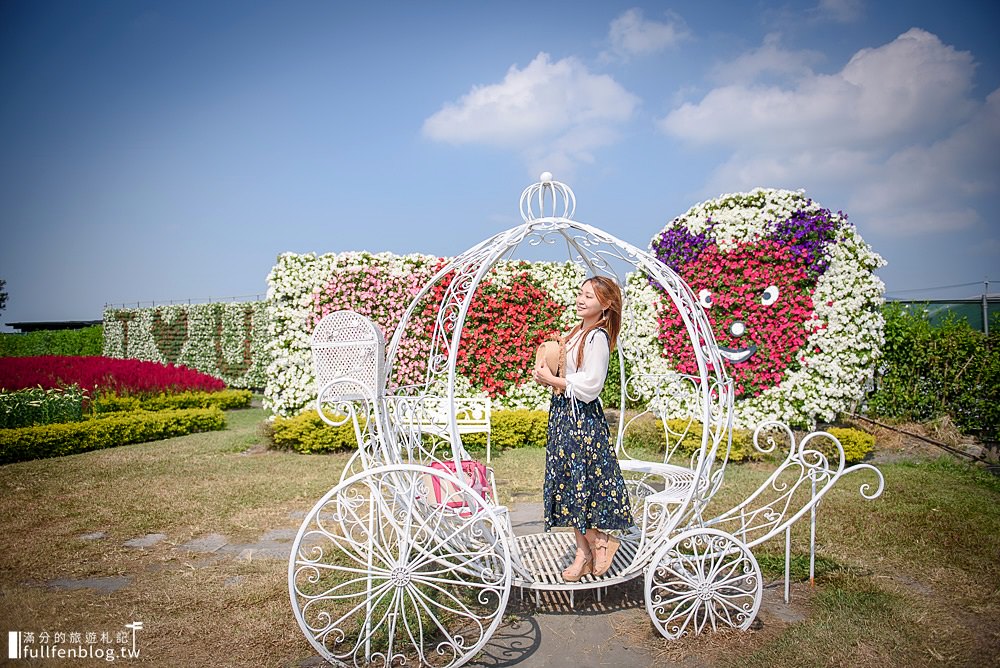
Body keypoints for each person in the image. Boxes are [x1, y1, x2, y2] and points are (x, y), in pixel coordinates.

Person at [532, 275, 632, 581]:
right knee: (569, 485)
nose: (580, 299)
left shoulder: (597, 338)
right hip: (564, 415)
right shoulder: (577, 332)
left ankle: (599, 542)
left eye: (588, 296)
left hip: (581, 421)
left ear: (605, 304)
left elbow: (591, 385)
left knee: (579, 486)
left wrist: (554, 381)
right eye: (580, 293)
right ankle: (586, 552)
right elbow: (565, 369)